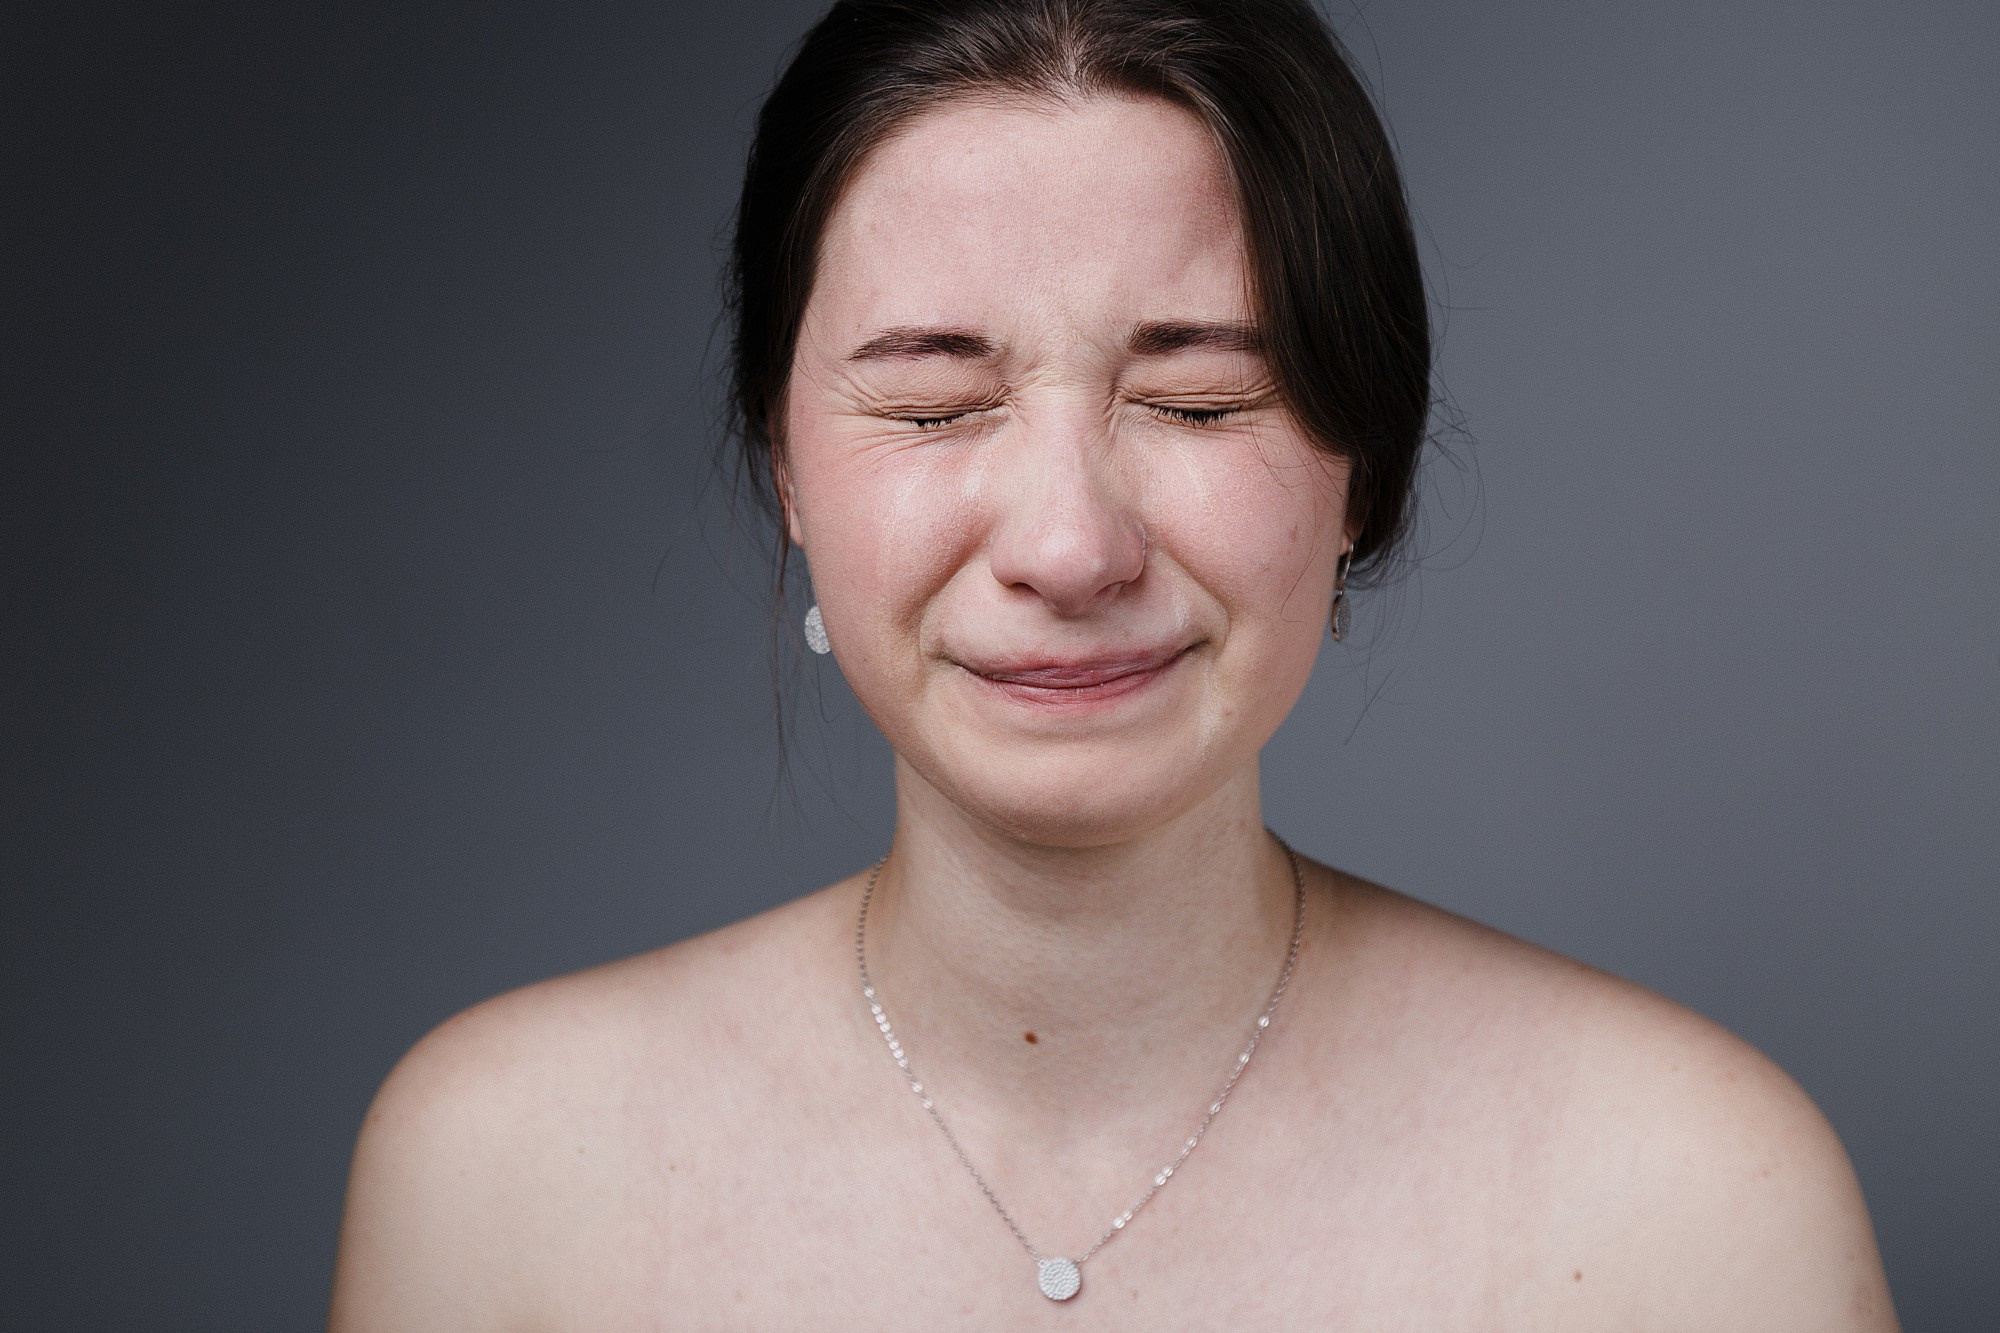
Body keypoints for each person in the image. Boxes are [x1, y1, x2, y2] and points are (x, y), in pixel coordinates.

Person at [328, 1, 1899, 1326]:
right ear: (787, 466)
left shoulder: (1692, 1206)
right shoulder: (496, 1180)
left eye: (1201, 402)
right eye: (936, 406)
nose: (1070, 549)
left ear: (1362, 462)